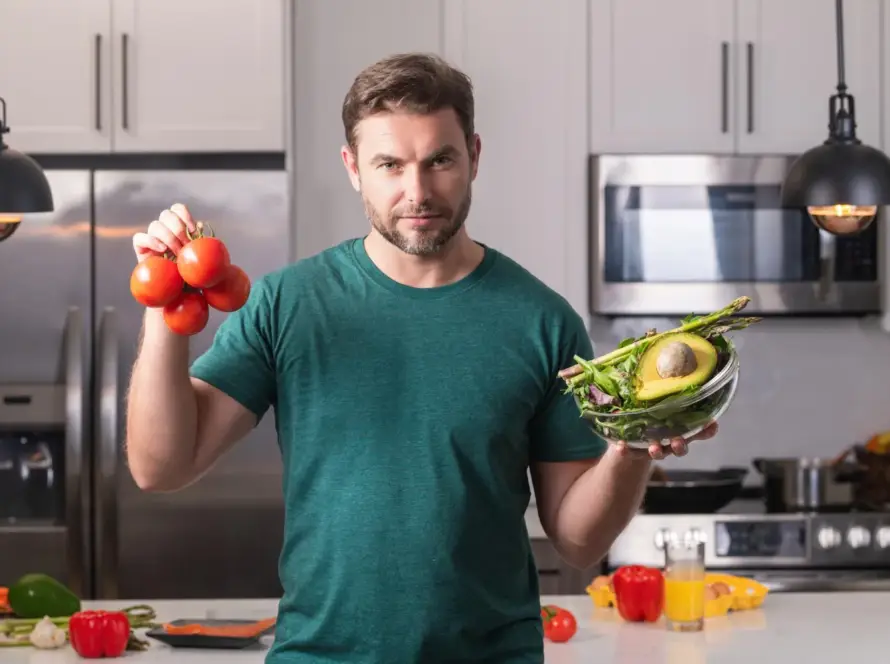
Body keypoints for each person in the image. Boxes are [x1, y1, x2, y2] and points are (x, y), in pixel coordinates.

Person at [125, 52, 717, 663]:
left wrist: (631, 449)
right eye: (390, 165)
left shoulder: (543, 320)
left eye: (440, 160)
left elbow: (576, 540)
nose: (418, 191)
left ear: (474, 157)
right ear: (353, 168)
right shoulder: (287, 304)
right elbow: (159, 468)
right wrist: (164, 302)